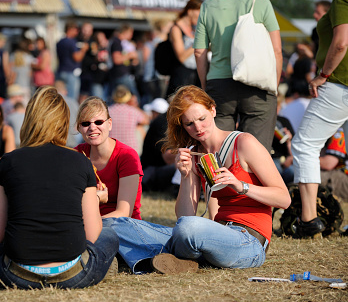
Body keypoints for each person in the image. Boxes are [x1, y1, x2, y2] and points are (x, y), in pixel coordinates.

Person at [104, 86, 290, 274]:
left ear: (213, 110)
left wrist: (240, 185)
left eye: (202, 119)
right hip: (211, 235)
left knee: (189, 229)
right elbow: (184, 217)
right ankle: (176, 260)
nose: (198, 128)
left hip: (248, 242)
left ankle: (144, 257)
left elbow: (284, 199)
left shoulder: (243, 143)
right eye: (189, 124)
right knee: (117, 224)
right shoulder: (194, 154)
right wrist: (185, 175)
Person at [0, 86, 119, 289]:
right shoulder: (80, 161)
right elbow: (92, 235)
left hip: (18, 274)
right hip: (72, 273)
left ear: (30, 119)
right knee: (109, 235)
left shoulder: (8, 162)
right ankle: (103, 265)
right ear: (63, 122)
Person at [193, 0, 282, 152]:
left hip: (219, 84)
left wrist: (206, 86)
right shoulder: (259, 1)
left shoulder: (208, 5)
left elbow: (199, 52)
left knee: (219, 150)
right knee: (256, 152)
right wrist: (273, 86)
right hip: (257, 83)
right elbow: (277, 51)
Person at [291, 0, 348, 238]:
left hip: (339, 84)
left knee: (305, 146)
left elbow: (341, 43)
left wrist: (323, 75)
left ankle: (309, 220)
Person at [75, 96, 144, 220]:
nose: (92, 127)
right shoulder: (76, 154)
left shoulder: (127, 156)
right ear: (79, 128)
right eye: (85, 123)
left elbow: (124, 213)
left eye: (98, 122)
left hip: (122, 226)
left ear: (109, 124)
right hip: (85, 225)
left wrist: (89, 225)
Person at [166, 0, 203, 97]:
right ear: (190, 11)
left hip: (194, 76)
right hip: (181, 77)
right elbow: (181, 57)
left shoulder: (193, 29)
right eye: (199, 12)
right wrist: (198, 41)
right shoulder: (176, 29)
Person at [108, 85, 149, 153]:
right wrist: (136, 106)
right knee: (141, 127)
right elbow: (146, 121)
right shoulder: (133, 111)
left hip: (112, 149)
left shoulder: (108, 111)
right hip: (130, 149)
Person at [56, 20, 89, 101]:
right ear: (70, 29)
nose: (77, 32)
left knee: (61, 98)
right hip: (70, 73)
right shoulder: (71, 42)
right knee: (71, 99)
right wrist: (83, 50)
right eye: (76, 29)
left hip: (61, 71)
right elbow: (77, 58)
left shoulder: (60, 42)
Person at [109, 24, 139, 103]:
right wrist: (130, 55)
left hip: (121, 74)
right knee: (133, 97)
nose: (131, 35)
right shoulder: (117, 42)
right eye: (130, 33)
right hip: (121, 75)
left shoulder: (120, 42)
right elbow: (116, 59)